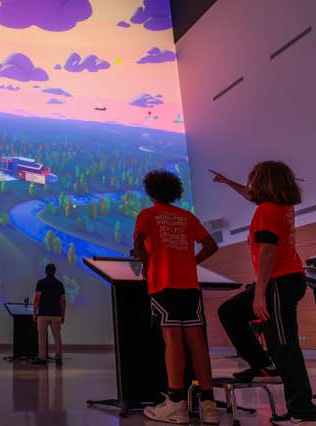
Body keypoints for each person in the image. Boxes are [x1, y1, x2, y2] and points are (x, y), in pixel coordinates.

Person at [211, 163, 316, 425]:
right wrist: (227, 182)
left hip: (279, 283)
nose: (251, 185)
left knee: (283, 344)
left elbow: (268, 252)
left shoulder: (267, 211)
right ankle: (261, 363)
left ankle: (302, 410)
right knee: (230, 311)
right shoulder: (280, 206)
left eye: (254, 179)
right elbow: (250, 195)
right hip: (281, 281)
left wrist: (259, 292)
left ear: (264, 183)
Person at [134, 170, 219, 424]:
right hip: (189, 286)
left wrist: (147, 265)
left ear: (150, 191)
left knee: (172, 338)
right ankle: (209, 406)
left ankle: (175, 403)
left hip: (164, 284)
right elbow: (211, 245)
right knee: (196, 340)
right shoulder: (187, 217)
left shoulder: (147, 215)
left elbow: (138, 242)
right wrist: (191, 262)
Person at [33, 263, 66, 366]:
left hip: (43, 314)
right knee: (57, 337)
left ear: (45, 271)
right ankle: (58, 357)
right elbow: (63, 301)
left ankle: (42, 358)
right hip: (56, 314)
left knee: (42, 337)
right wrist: (62, 314)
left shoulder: (41, 283)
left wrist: (34, 312)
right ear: (54, 271)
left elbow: (37, 298)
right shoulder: (59, 284)